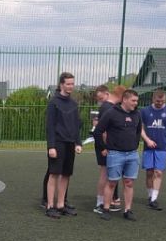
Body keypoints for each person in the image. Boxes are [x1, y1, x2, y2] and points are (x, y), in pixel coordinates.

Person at [94, 88, 147, 220]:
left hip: (132, 154)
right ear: (124, 99)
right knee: (112, 182)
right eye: (133, 101)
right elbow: (98, 131)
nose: (136, 103)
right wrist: (103, 148)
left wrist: (134, 146)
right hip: (115, 154)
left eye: (137, 101)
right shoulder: (111, 113)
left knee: (129, 182)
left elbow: (138, 131)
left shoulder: (137, 114)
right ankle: (106, 209)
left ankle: (128, 210)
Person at [44, 72, 83, 218]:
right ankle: (50, 206)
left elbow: (76, 125)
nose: (71, 86)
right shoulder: (53, 102)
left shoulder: (73, 104)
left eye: (72, 84)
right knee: (54, 174)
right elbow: (50, 126)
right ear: (61, 84)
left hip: (70, 143)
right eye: (68, 84)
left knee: (66, 174)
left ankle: (61, 205)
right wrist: (51, 146)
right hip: (58, 143)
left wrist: (78, 142)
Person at [140, 89, 166, 210]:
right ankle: (150, 195)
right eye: (158, 101)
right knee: (149, 172)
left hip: (162, 147)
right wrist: (147, 140)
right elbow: (140, 128)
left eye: (162, 101)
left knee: (158, 172)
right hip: (148, 147)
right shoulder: (144, 111)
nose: (160, 103)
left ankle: (154, 199)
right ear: (153, 99)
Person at [92, 84, 124, 212]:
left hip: (107, 146)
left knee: (108, 174)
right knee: (105, 174)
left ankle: (107, 200)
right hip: (105, 146)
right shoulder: (108, 108)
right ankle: (100, 203)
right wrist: (105, 147)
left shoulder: (109, 107)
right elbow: (103, 131)